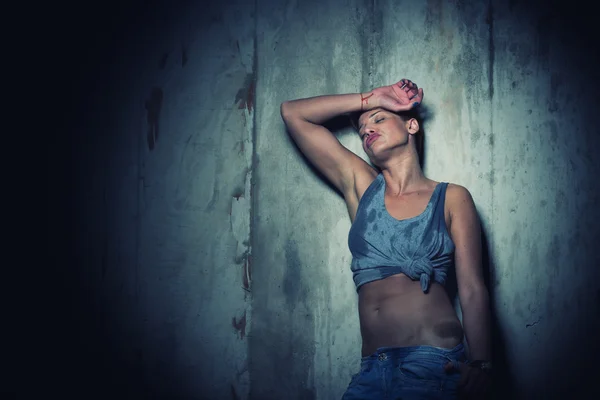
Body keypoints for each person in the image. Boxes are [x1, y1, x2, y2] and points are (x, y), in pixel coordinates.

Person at [280, 79, 492, 399]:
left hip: (432, 365)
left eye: (379, 119)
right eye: (362, 128)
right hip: (372, 369)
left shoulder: (451, 198)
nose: (367, 130)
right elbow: (293, 113)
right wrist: (372, 100)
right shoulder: (363, 188)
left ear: (411, 125)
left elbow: (473, 288)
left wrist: (482, 365)